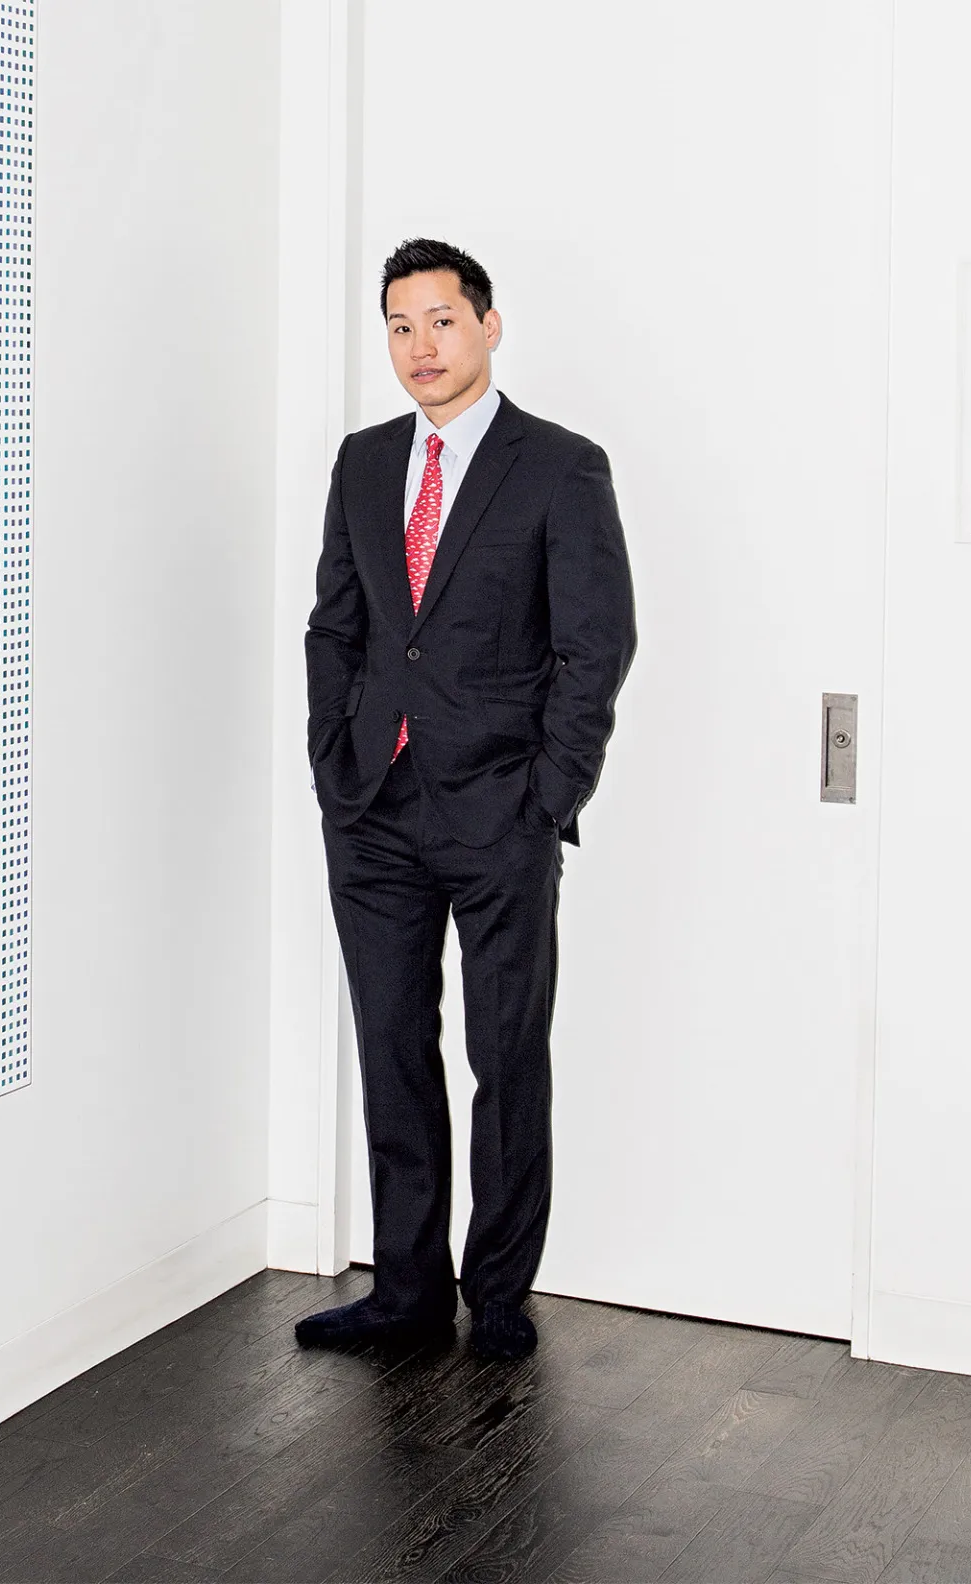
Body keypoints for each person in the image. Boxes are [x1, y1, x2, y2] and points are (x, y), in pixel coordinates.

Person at [296, 239, 637, 1361]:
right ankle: (405, 1291)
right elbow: (336, 626)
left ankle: (497, 1293)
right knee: (392, 1050)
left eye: (441, 322)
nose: (420, 348)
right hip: (375, 808)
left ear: (490, 326)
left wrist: (548, 797)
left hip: (501, 813)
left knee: (506, 1057)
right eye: (399, 327)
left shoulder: (559, 466)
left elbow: (597, 646)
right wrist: (331, 764)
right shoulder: (360, 462)